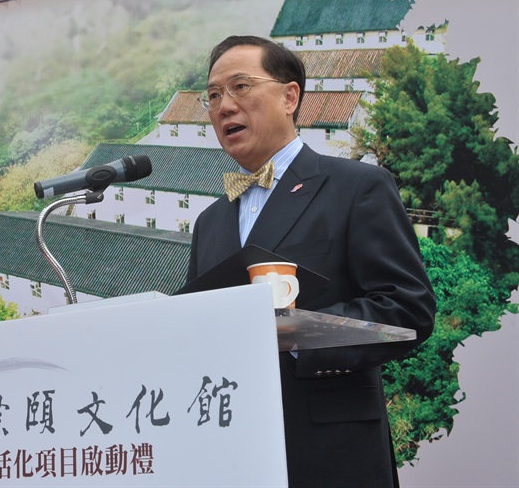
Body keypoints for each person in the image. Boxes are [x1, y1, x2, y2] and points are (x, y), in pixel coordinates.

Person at [186, 35, 436, 487]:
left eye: (240, 87)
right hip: (232, 454)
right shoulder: (209, 222)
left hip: (330, 453)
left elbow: (406, 310)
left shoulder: (358, 187)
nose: (224, 106)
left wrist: (292, 332)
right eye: (213, 96)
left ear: (289, 96)